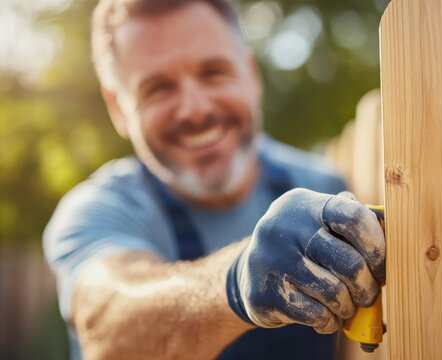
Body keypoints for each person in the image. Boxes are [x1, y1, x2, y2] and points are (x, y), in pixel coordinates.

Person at [43, 0, 386, 359]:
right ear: (118, 108)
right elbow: (107, 321)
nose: (196, 109)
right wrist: (236, 283)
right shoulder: (97, 211)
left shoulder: (326, 186)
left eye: (214, 72)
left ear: (251, 77)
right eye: (157, 88)